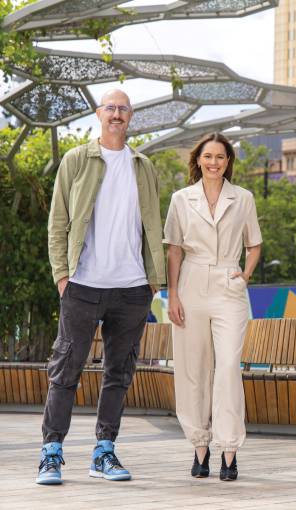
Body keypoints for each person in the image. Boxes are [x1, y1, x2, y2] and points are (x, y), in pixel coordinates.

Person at [39, 89, 165, 485]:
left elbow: (152, 225)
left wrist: (152, 280)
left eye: (123, 109)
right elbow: (57, 221)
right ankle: (51, 453)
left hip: (131, 287)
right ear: (99, 114)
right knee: (66, 369)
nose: (116, 114)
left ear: (131, 117)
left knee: (119, 372)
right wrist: (63, 275)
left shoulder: (144, 167)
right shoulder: (77, 160)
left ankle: (104, 452)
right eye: (110, 108)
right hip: (82, 283)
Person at [164, 132, 262, 482]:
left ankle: (230, 449)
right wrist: (172, 295)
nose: (214, 162)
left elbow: (254, 245)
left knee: (228, 367)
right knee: (192, 368)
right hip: (190, 283)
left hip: (228, 284)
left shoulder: (244, 198)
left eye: (220, 157)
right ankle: (200, 446)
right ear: (198, 159)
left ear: (228, 161)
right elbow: (173, 250)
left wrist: (245, 275)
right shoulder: (180, 199)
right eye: (208, 156)